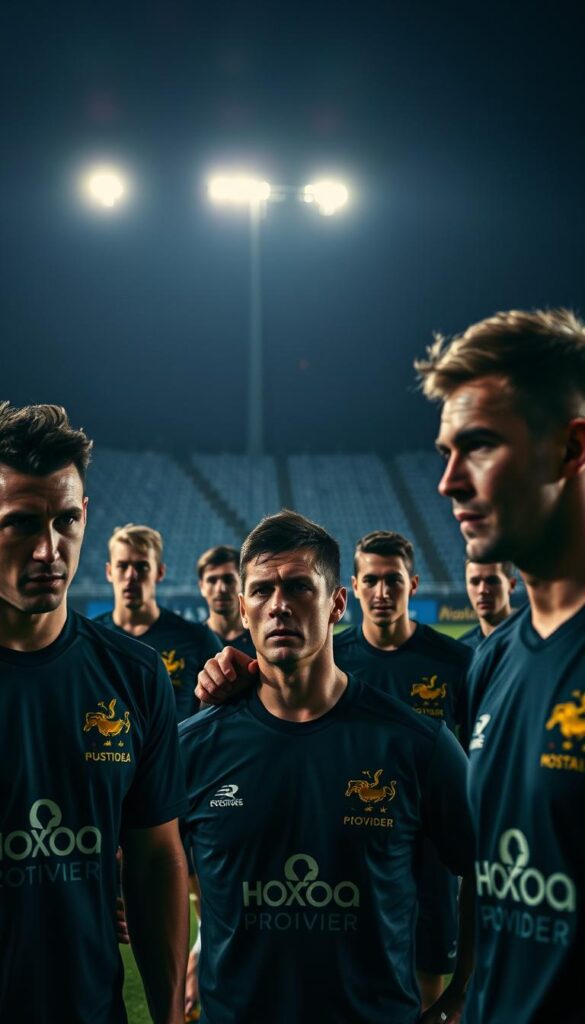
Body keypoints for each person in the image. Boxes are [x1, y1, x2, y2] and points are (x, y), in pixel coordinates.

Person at [184, 510, 474, 1024]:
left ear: (337, 603)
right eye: (262, 590)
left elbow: (485, 870)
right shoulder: (193, 746)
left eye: (299, 587)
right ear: (244, 610)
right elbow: (162, 871)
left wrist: (464, 992)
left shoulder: (419, 744)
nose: (279, 605)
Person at [415, 307, 585, 1023]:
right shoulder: (491, 661)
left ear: (570, 448)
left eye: (479, 445)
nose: (448, 481)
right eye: (444, 452)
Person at [0, 402, 189, 1024]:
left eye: (67, 521)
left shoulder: (135, 675)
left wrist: (168, 1016)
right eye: (21, 523)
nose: (48, 550)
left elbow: (156, 859)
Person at [335, 530, 472, 1008]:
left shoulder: (456, 662)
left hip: (433, 842)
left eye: (392, 580)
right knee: (355, 970)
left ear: (412, 584)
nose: (382, 592)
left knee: (428, 977)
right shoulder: (333, 659)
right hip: (357, 833)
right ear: (354, 587)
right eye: (370, 580)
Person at [95, 523, 220, 722]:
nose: (131, 576)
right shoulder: (90, 639)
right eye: (122, 566)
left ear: (160, 572)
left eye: (142, 566)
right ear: (109, 571)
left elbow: (224, 712)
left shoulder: (197, 638)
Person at [197, 544, 255, 656]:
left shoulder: (259, 639)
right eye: (212, 580)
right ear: (202, 587)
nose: (221, 589)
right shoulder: (191, 642)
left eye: (228, 579)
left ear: (243, 584)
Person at [460, 560, 517, 650]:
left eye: (492, 581)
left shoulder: (535, 637)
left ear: (511, 585)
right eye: (475, 582)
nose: (482, 590)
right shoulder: (462, 650)